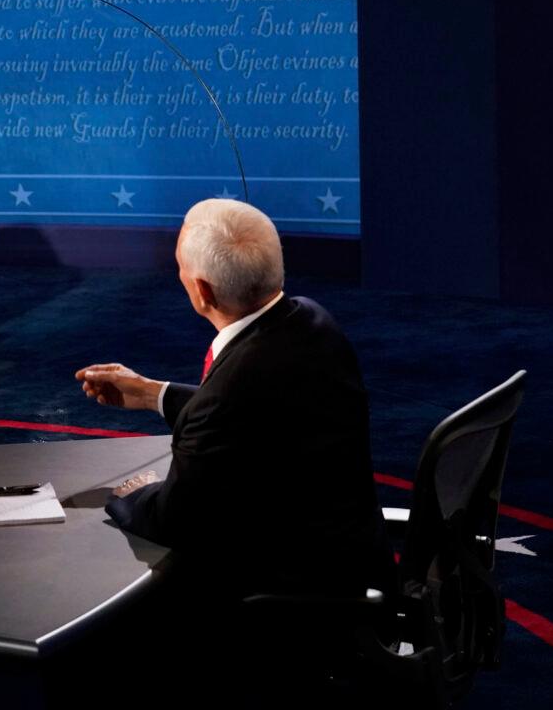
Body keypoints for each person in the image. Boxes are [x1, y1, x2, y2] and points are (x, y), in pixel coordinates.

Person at [75, 198, 394, 601]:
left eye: (180, 268)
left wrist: (130, 495)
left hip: (290, 601)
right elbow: (260, 411)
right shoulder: (313, 321)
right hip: (355, 568)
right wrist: (154, 394)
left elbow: (173, 521)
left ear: (202, 291)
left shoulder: (228, 397)